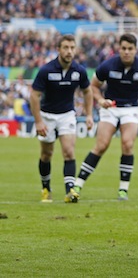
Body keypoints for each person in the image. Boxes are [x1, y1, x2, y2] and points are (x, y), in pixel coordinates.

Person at [70, 33, 138, 201]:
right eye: (123, 48)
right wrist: (101, 100)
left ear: (135, 50)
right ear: (119, 49)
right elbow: (92, 87)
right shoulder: (108, 65)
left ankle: (123, 190)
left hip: (131, 109)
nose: (126, 52)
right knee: (101, 145)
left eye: (130, 49)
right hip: (110, 107)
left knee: (127, 144)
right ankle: (77, 185)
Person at [30, 34, 93, 203]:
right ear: (58, 49)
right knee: (46, 154)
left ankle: (69, 191)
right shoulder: (46, 70)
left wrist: (89, 115)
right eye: (65, 47)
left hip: (67, 115)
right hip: (47, 116)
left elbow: (88, 91)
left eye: (72, 48)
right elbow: (34, 96)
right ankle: (46, 188)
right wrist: (38, 121)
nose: (69, 51)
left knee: (69, 151)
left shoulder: (79, 70)